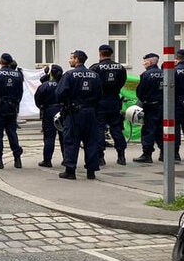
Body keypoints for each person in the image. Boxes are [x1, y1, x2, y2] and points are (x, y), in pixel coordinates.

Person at [55, 50, 103, 180]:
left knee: (71, 140)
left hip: (74, 113)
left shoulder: (69, 75)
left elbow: (59, 94)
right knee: (91, 141)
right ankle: (91, 171)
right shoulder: (94, 75)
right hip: (91, 112)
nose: (70, 60)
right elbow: (99, 94)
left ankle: (70, 170)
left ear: (77, 59)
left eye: (71, 58)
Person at [90, 44, 129, 166]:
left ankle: (101, 157)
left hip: (100, 102)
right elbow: (122, 82)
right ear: (111, 54)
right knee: (117, 128)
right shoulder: (120, 68)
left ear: (100, 53)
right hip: (114, 101)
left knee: (99, 129)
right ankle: (121, 155)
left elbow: (92, 84)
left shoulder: (96, 68)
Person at [134, 53, 164, 163]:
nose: (143, 64)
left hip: (150, 106)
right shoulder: (165, 73)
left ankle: (147, 154)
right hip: (164, 106)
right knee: (162, 130)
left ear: (150, 62)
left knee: (148, 130)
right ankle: (164, 153)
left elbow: (140, 92)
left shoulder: (146, 75)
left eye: (145, 62)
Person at [34, 64, 64, 167]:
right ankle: (67, 159)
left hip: (49, 111)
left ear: (51, 74)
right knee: (64, 136)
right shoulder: (64, 84)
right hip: (63, 111)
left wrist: (42, 107)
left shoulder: (45, 85)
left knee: (49, 138)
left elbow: (37, 99)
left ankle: (47, 160)